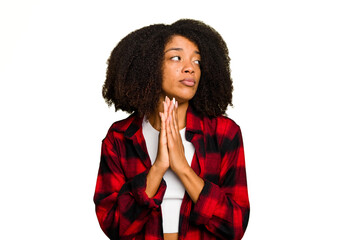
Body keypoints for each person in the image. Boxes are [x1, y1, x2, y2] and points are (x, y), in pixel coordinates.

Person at [94, 19, 250, 240]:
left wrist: (183, 169)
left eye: (197, 61)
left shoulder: (224, 133)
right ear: (148, 66)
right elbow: (115, 226)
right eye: (176, 57)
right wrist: (158, 168)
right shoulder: (120, 138)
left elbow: (235, 226)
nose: (190, 68)